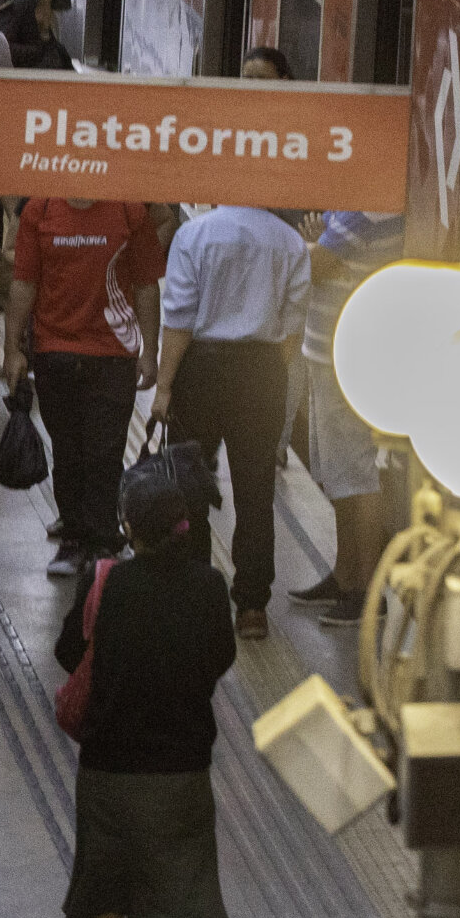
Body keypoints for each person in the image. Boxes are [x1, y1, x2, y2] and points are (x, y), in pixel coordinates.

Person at [53, 457, 238, 918]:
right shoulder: (211, 588)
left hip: (109, 766)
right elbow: (221, 658)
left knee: (106, 895)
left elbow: (66, 655)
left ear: (131, 525)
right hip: (182, 770)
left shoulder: (110, 582)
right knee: (174, 913)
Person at [152, 199, 308, 638]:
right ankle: (253, 607)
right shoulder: (289, 240)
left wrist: (164, 387)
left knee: (191, 484)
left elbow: (179, 317)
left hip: (200, 367)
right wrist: (270, 374)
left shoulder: (195, 234)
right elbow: (292, 326)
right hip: (261, 369)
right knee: (256, 489)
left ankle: (195, 595)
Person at [1, 192, 163, 575]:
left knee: (105, 453)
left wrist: (149, 351)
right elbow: (24, 283)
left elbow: (145, 284)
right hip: (54, 352)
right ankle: (75, 539)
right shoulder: (39, 211)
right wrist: (12, 350)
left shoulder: (128, 209)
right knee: (69, 451)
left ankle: (102, 540)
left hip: (112, 354)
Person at [290, 208, 405, 614]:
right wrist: (319, 246)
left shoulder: (367, 215)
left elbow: (311, 267)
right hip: (328, 355)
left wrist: (315, 247)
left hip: (350, 359)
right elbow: (321, 257)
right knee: (337, 473)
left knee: (357, 473)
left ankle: (368, 593)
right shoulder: (352, 212)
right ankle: (344, 576)